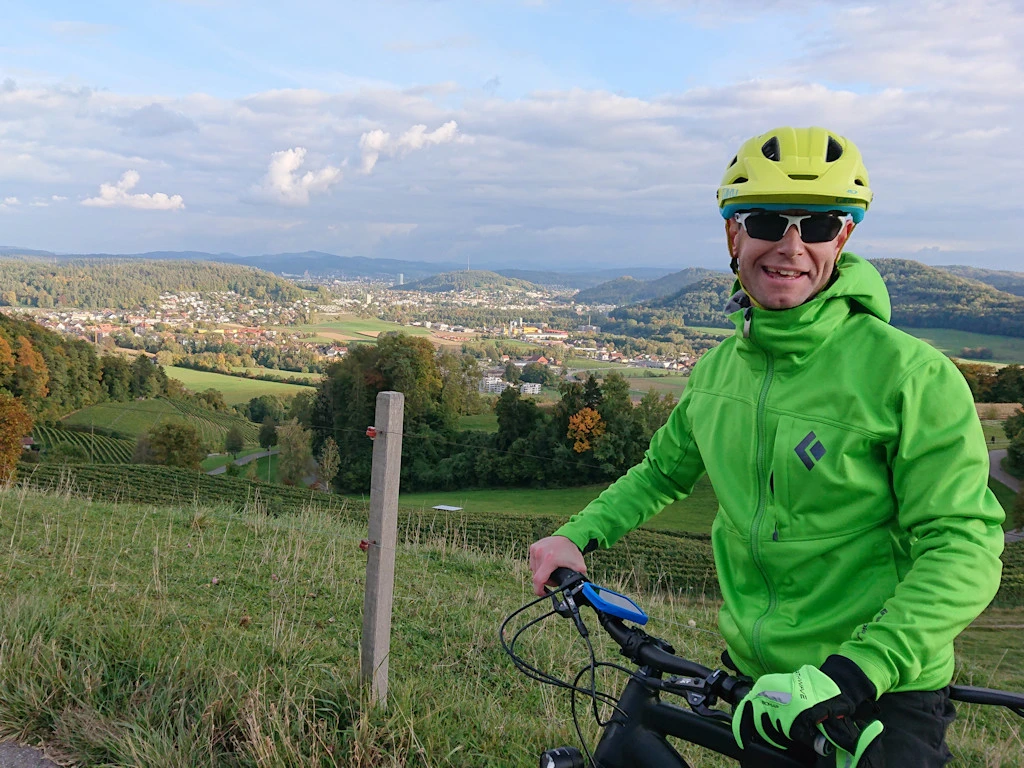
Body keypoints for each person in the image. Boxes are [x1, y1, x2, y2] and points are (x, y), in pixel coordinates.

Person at [529, 126, 1005, 767]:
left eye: (817, 226)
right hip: (759, 682)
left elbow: (963, 545)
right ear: (734, 235)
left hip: (876, 690)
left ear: (842, 238)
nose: (791, 246)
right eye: (767, 221)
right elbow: (661, 474)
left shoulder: (911, 376)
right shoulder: (717, 371)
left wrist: (859, 669)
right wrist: (577, 535)